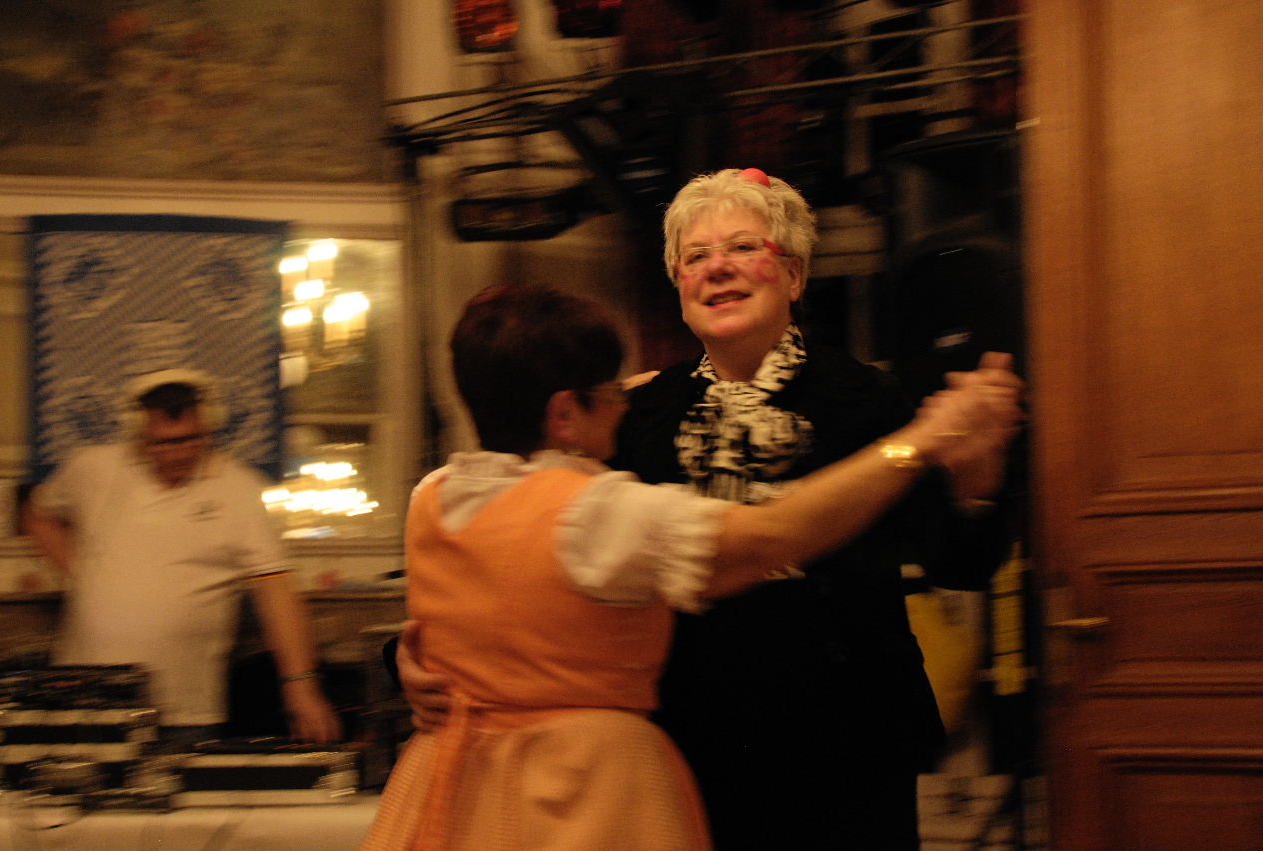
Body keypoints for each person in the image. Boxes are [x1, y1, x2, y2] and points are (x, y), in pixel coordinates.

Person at [402, 169, 1025, 850]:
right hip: (683, 739)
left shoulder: (871, 401)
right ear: (678, 287)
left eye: (741, 247)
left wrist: (977, 484)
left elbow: (958, 563)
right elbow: (521, 550)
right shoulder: (632, 415)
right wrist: (414, 654)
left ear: (793, 275)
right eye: (696, 257)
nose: (718, 267)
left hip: (845, 741)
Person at [22, 369, 341, 748]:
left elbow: (276, 593)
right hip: (86, 706)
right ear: (138, 435)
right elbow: (38, 513)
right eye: (161, 443)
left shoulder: (239, 489)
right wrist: (81, 573)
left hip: (182, 716)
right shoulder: (92, 469)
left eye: (189, 440)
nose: (177, 453)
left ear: (210, 429)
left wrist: (301, 686)